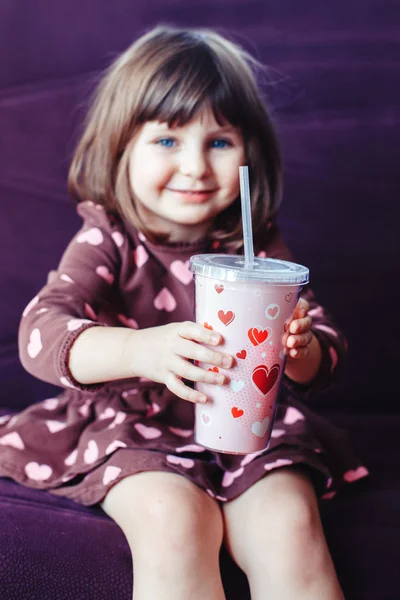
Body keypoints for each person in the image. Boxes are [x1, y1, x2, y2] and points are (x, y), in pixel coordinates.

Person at [0, 25, 368, 600]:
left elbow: (325, 349)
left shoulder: (255, 248)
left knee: (290, 525)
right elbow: (39, 332)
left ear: (250, 152)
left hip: (249, 425)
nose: (196, 166)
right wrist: (140, 350)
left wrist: (300, 348)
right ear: (121, 148)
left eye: (219, 142)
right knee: (173, 521)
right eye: (168, 140)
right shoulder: (110, 240)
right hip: (133, 427)